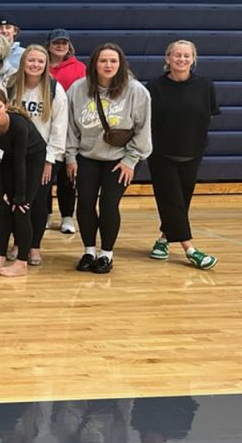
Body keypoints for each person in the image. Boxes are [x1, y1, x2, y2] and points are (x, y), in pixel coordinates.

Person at [65, 43, 153, 274]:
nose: (108, 65)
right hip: (86, 156)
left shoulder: (136, 91)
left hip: (120, 159)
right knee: (84, 202)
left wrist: (131, 160)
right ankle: (88, 251)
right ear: (94, 63)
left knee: (108, 204)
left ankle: (106, 254)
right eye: (103, 60)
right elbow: (70, 127)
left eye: (113, 61)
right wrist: (70, 157)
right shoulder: (77, 89)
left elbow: (143, 129)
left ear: (121, 64)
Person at [146, 40, 219, 270]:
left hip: (193, 152)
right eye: (177, 55)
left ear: (193, 59)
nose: (182, 59)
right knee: (171, 200)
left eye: (187, 56)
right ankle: (190, 250)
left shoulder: (205, 85)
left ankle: (164, 240)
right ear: (167, 59)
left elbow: (210, 115)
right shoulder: (153, 87)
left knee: (181, 201)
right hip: (161, 154)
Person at [6, 45, 69, 267]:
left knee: (39, 202)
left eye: (40, 62)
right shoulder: (11, 85)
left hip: (41, 156)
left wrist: (50, 159)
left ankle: (34, 246)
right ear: (23, 61)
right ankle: (17, 243)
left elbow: (60, 127)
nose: (35, 65)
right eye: (31, 60)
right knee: (16, 199)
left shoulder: (54, 88)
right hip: (14, 152)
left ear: (46, 65)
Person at [0, 87, 47, 277]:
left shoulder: (18, 125)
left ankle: (21, 263)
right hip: (11, 156)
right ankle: (0, 258)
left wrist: (19, 196)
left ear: (6, 106)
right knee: (2, 209)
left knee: (21, 209)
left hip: (32, 158)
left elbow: (20, 164)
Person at [47, 29, 84, 235]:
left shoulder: (79, 68)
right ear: (49, 45)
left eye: (64, 43)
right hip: (46, 126)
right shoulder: (42, 66)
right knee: (44, 174)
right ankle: (45, 213)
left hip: (70, 127)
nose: (60, 46)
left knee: (67, 175)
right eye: (56, 43)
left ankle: (67, 216)